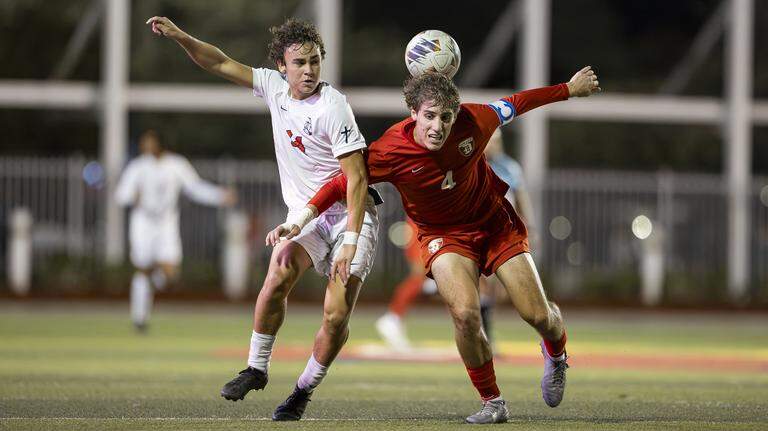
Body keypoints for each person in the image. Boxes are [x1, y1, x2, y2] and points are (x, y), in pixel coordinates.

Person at [273, 67, 600, 423]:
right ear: (413, 113)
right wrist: (300, 220)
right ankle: (493, 401)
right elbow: (343, 184)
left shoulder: (476, 119)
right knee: (465, 314)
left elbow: (518, 103)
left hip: (494, 225)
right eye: (429, 116)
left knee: (537, 315)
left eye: (446, 117)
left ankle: (556, 354)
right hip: (443, 237)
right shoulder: (390, 149)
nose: (438, 126)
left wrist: (568, 89)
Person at [145, 17, 380, 421]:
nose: (309, 70)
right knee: (278, 271)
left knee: (336, 315)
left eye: (315, 61)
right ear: (282, 66)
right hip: (304, 219)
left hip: (349, 218)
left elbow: (356, 180)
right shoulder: (272, 87)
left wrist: (352, 242)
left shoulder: (333, 105)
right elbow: (218, 63)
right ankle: (256, 367)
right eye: (300, 62)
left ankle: (303, 391)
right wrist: (182, 36)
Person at [375, 129, 535, 351]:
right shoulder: (457, 159)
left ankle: (477, 331)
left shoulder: (506, 167)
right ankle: (393, 317)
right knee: (425, 274)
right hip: (432, 223)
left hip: (471, 229)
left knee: (481, 287)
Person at [115, 129, 236, 333]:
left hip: (166, 225)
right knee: (143, 269)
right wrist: (131, 196)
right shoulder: (138, 167)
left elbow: (195, 188)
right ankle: (139, 319)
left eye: (150, 141)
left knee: (170, 273)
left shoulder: (176, 164)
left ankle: (150, 288)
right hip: (142, 224)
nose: (146, 145)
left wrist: (219, 196)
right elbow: (121, 194)